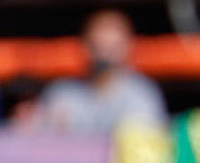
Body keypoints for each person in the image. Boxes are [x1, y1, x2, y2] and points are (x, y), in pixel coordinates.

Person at [14, 9, 168, 135]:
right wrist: (30, 122)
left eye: (112, 48)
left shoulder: (142, 95)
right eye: (98, 47)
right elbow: (35, 136)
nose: (104, 56)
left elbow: (143, 145)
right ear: (85, 46)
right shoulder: (62, 93)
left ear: (128, 47)